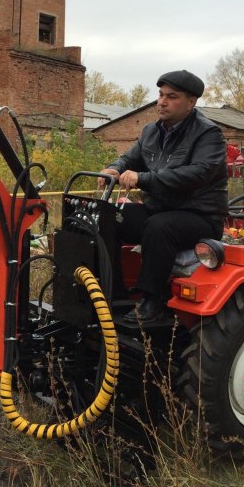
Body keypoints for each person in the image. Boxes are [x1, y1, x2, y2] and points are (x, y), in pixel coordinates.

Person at [100, 70, 227, 325]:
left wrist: (143, 179)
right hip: (160, 209)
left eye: (172, 96)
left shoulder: (208, 134)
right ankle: (111, 294)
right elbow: (130, 158)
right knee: (106, 218)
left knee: (159, 227)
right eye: (160, 95)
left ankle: (152, 300)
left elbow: (197, 174)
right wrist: (115, 167)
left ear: (191, 103)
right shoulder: (151, 131)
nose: (162, 102)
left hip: (200, 216)